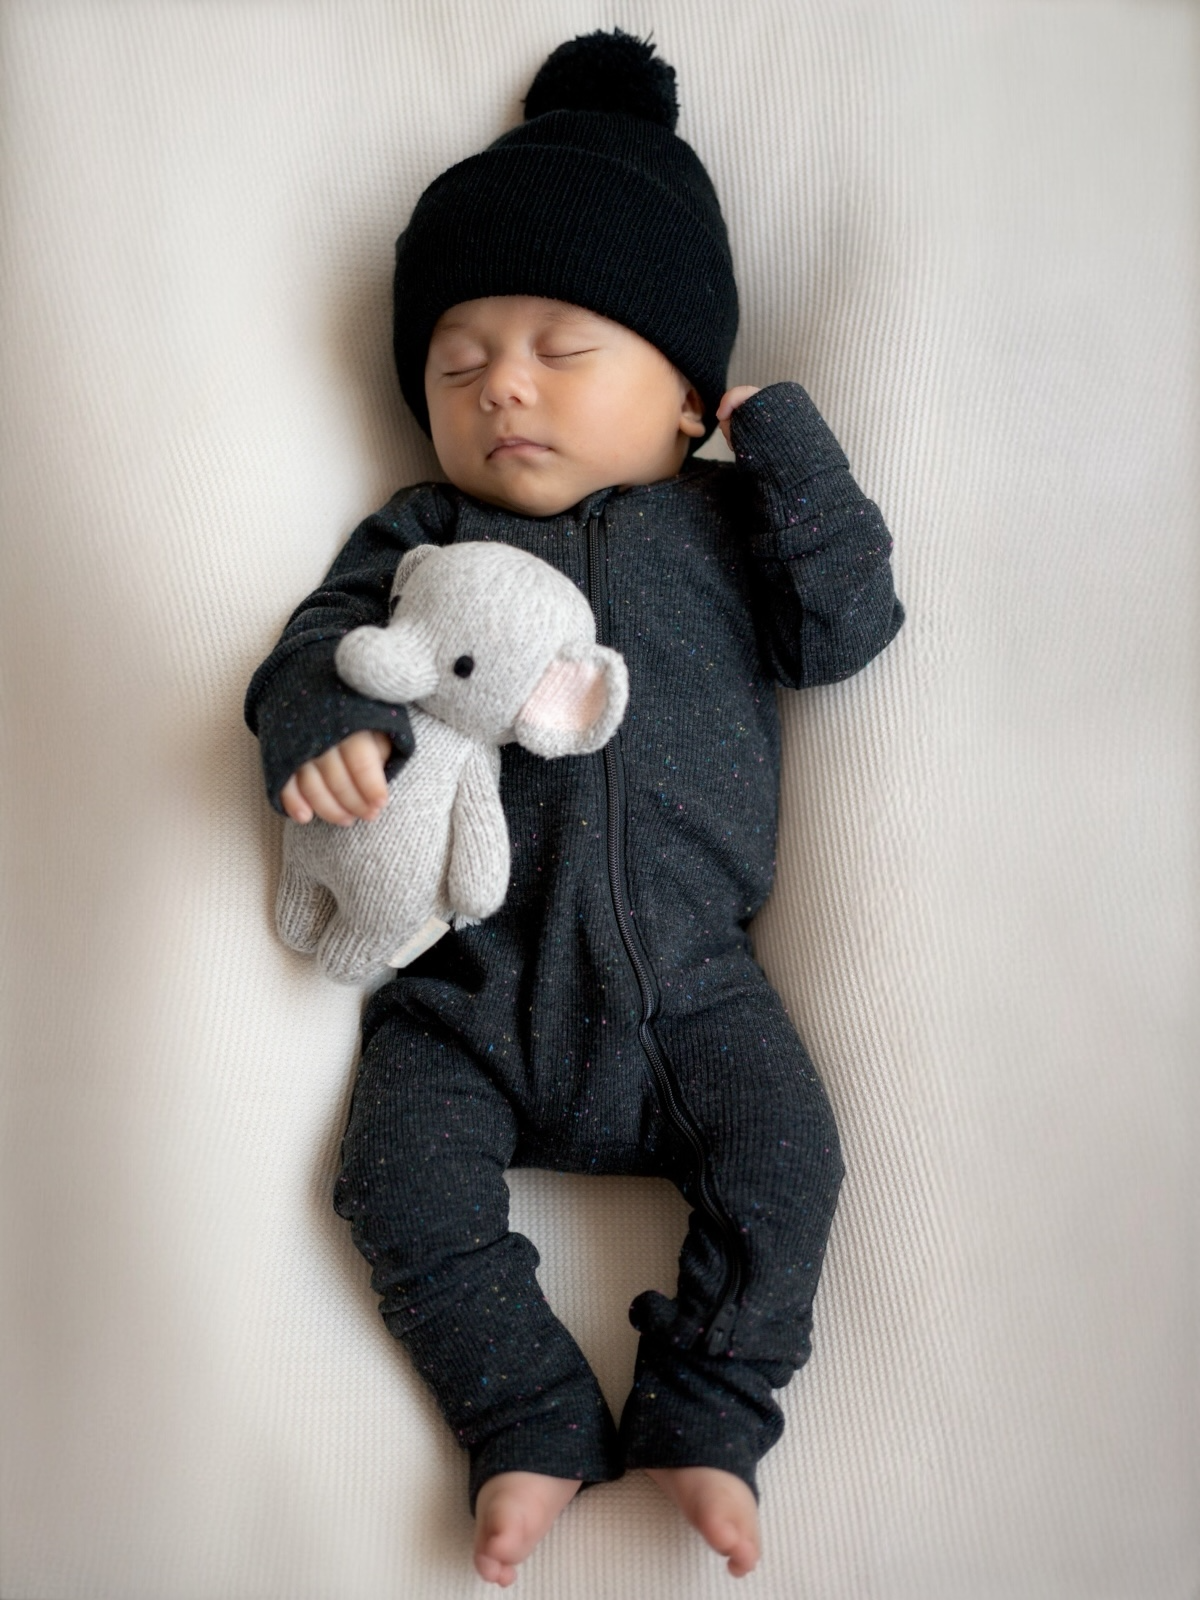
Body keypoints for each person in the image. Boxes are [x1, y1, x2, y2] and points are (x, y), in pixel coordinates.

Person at [244, 29, 903, 1587]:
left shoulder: (731, 526)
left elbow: (853, 628)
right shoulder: (420, 533)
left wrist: (783, 446)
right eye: (460, 360)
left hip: (692, 987)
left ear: (684, 397)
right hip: (462, 992)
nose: (503, 387)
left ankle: (708, 1409)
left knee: (791, 1160)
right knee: (387, 1181)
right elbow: (306, 650)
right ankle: (526, 1420)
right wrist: (329, 723)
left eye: (563, 348)